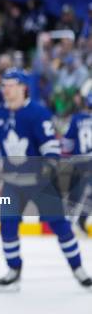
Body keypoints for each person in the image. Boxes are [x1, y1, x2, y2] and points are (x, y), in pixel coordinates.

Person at [0, 68, 91, 290]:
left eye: (10, 85)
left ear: (23, 87)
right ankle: (14, 270)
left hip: (41, 183)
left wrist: (48, 168)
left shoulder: (38, 113)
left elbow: (51, 148)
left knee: (60, 226)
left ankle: (78, 269)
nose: (6, 89)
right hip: (12, 184)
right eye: (3, 85)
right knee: (7, 226)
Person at [62, 92, 92, 236]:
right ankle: (82, 219)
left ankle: (67, 224)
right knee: (90, 195)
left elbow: (67, 143)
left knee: (74, 195)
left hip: (79, 161)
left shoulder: (77, 118)